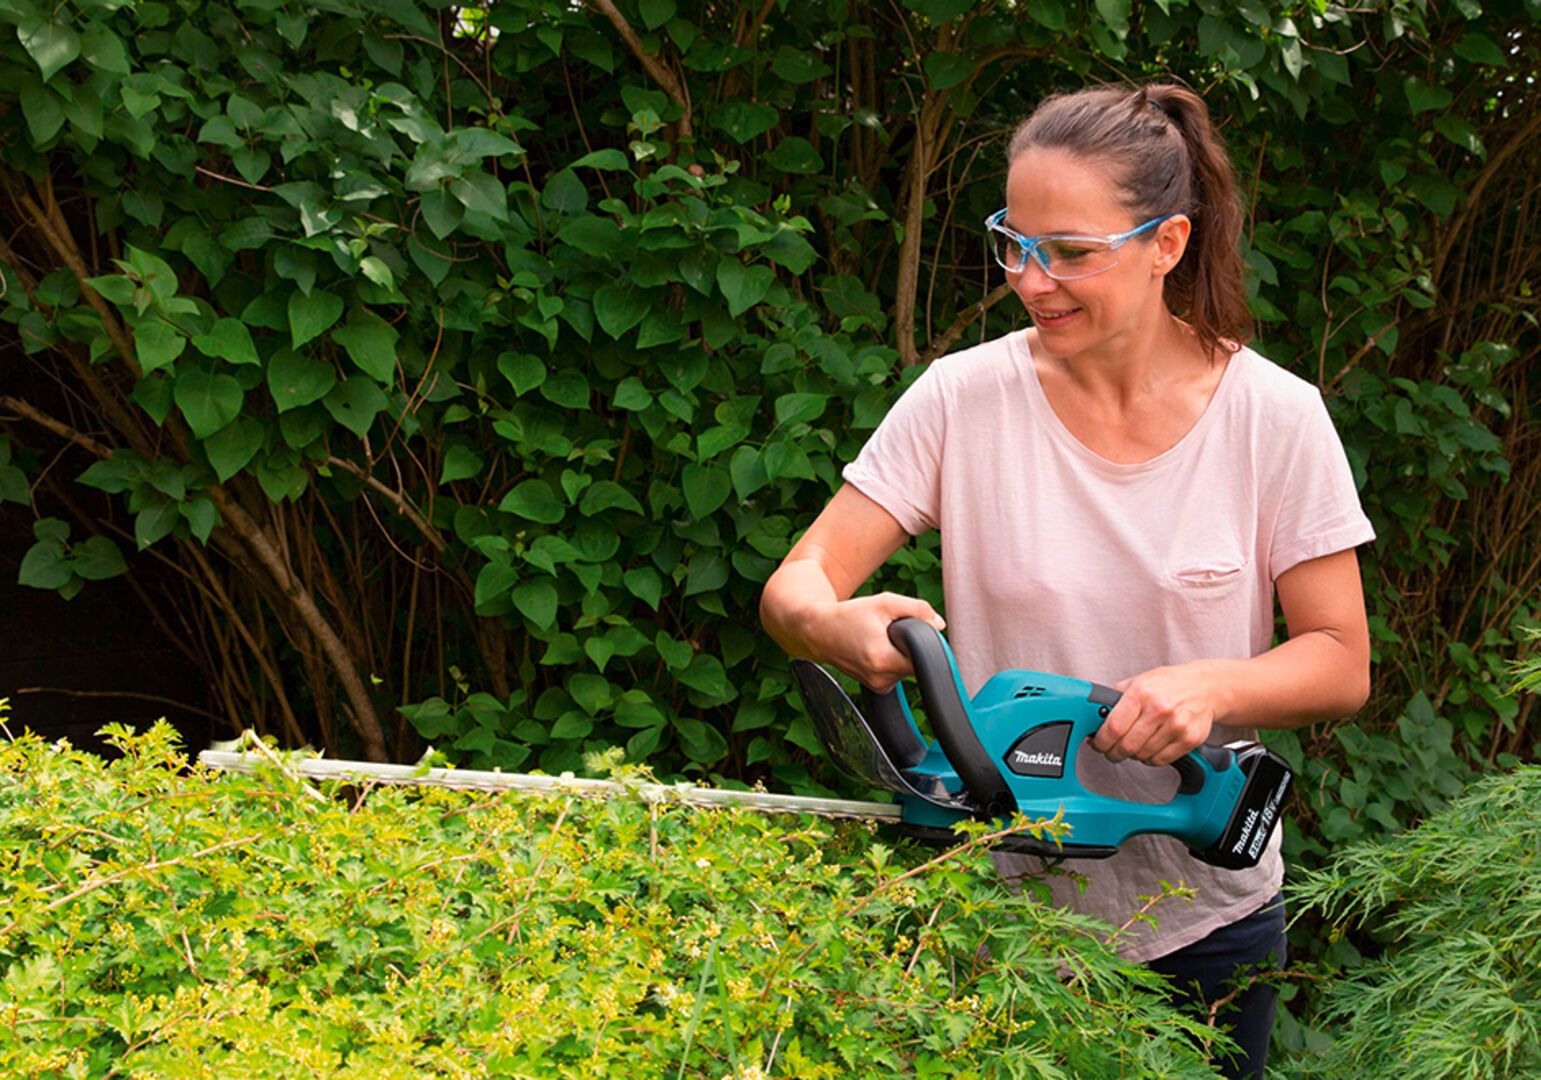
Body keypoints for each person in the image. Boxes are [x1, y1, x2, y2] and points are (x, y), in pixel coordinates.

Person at [759, 82, 1374, 1078]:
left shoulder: (1274, 418)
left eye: (1071, 252)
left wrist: (1212, 687)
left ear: (1166, 243)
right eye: (1014, 241)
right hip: (997, 923)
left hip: (1201, 925)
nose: (1030, 280)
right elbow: (795, 583)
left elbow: (1340, 661)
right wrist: (831, 624)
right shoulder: (964, 398)